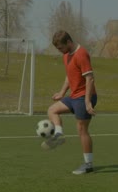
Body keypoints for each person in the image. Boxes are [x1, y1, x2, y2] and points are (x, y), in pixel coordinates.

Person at [42, 30, 98, 175]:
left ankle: (88, 164)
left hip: (84, 96)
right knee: (52, 110)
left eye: (61, 48)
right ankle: (59, 136)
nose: (60, 51)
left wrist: (87, 102)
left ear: (68, 42)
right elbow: (69, 76)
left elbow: (90, 78)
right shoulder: (66, 56)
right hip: (74, 96)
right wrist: (61, 93)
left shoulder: (81, 54)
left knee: (81, 130)